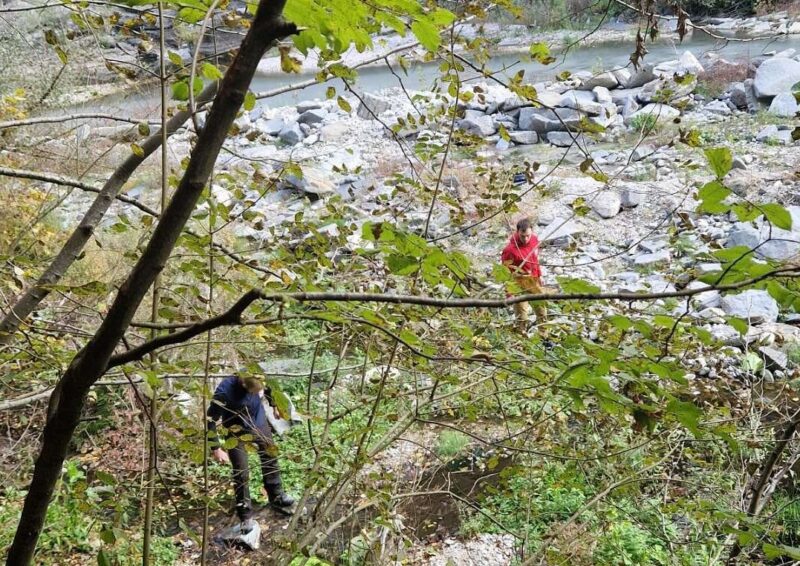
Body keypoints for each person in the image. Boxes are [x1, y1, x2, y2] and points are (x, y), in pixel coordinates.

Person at [207, 374, 295, 526]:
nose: (256, 394)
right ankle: (245, 515)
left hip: (258, 422)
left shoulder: (257, 374)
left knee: (270, 456)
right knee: (241, 472)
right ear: (243, 384)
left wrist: (274, 405)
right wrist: (216, 447)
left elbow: (270, 388)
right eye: (253, 392)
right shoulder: (224, 391)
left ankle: (276, 495)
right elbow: (210, 419)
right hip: (236, 432)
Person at [501, 217, 548, 332]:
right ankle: (522, 338)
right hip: (519, 283)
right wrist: (509, 292)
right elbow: (506, 273)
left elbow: (535, 260)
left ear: (531, 232)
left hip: (533, 281)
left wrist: (539, 276)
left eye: (528, 235)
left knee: (541, 310)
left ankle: (545, 337)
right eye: (523, 236)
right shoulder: (510, 250)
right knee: (521, 316)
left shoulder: (534, 240)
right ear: (517, 232)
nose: (526, 239)